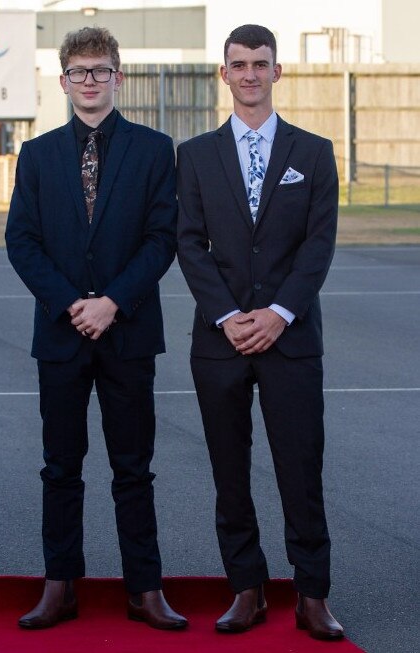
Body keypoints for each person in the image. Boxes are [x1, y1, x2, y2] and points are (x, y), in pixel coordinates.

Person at [5, 26, 187, 631]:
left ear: (118, 77)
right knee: (61, 466)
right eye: (80, 71)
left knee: (134, 467)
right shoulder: (37, 155)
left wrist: (112, 301)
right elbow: (21, 241)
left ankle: (145, 588)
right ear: (63, 81)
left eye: (101, 70)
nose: (90, 80)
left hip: (128, 333)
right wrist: (70, 303)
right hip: (60, 336)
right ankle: (60, 586)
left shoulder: (156, 149)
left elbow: (163, 238)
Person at [176, 24, 343, 640]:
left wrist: (279, 313)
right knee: (229, 469)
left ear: (278, 71)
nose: (250, 73)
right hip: (219, 340)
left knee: (302, 467)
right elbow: (189, 243)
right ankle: (245, 588)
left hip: (291, 338)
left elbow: (318, 244)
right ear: (224, 74)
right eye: (239, 64)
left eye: (261, 63)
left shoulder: (313, 152)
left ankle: (312, 594)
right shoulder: (194, 155)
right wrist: (227, 315)